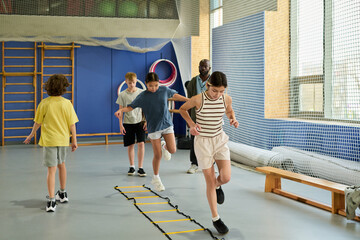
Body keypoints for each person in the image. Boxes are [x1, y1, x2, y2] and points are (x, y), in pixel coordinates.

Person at [179, 71, 238, 234]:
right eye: (214, 91)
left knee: (225, 177)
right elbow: (183, 110)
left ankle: (217, 186)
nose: (217, 94)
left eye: (221, 91)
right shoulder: (198, 99)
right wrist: (191, 124)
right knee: (209, 181)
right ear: (208, 85)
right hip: (203, 143)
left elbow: (229, 111)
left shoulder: (226, 99)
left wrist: (232, 118)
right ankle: (216, 218)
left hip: (219, 139)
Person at [115, 72, 188, 192]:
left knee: (173, 150)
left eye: (155, 85)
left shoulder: (164, 90)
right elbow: (131, 106)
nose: (153, 88)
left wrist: (188, 100)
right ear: (146, 84)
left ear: (159, 83)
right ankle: (156, 178)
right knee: (158, 155)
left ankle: (164, 146)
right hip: (153, 128)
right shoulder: (143, 96)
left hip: (167, 124)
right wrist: (121, 110)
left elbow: (175, 96)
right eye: (150, 86)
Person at [24, 74, 79, 212]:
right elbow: (72, 125)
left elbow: (38, 123)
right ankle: (63, 193)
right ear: (64, 87)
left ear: (48, 87)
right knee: (62, 166)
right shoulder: (67, 103)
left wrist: (31, 135)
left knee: (51, 170)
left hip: (49, 141)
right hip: (62, 140)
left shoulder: (44, 103)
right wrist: (74, 141)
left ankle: (51, 201)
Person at [116, 72, 147, 177]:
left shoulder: (142, 92)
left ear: (136, 81)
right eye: (130, 83)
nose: (132, 85)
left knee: (141, 143)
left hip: (140, 122)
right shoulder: (123, 95)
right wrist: (120, 125)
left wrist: (146, 120)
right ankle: (132, 166)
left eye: (133, 82)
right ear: (126, 82)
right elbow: (120, 111)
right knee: (130, 145)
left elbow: (146, 108)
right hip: (128, 123)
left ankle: (141, 167)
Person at [185, 59, 211, 174]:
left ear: (209, 68)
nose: (203, 68)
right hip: (196, 118)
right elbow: (189, 101)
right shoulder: (193, 81)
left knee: (210, 142)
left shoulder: (214, 81)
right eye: (201, 66)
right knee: (194, 141)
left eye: (205, 66)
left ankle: (210, 164)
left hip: (210, 118)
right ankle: (194, 164)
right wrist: (189, 119)